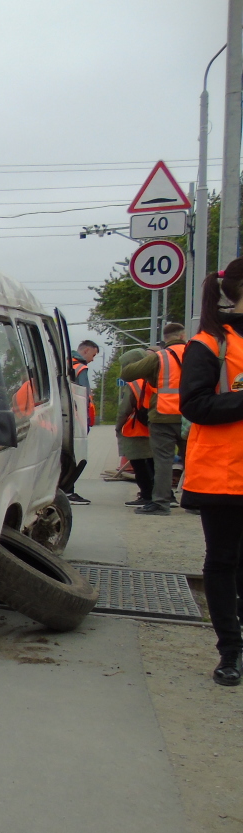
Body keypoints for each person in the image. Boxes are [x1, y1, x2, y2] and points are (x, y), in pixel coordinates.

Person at [179, 260, 243, 687]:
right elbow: (195, 406)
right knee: (222, 563)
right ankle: (230, 653)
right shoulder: (207, 345)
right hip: (223, 476)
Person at [121, 323, 187, 515]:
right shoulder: (196, 353)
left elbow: (127, 374)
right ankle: (197, 502)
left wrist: (151, 377)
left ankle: (161, 503)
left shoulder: (160, 357)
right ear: (183, 335)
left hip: (162, 416)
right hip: (190, 416)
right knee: (192, 460)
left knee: (163, 462)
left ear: (165, 338)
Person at [115, 346, 155, 506]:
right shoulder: (155, 379)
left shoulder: (134, 384)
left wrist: (118, 427)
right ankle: (163, 495)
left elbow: (124, 410)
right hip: (155, 428)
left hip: (136, 430)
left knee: (139, 465)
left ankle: (147, 495)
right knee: (155, 464)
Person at [64, 339, 99, 504]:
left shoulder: (64, 364)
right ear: (86, 351)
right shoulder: (81, 368)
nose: (93, 359)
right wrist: (85, 420)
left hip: (65, 417)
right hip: (77, 419)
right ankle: (68, 491)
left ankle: (64, 489)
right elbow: (83, 396)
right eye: (93, 354)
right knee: (77, 457)